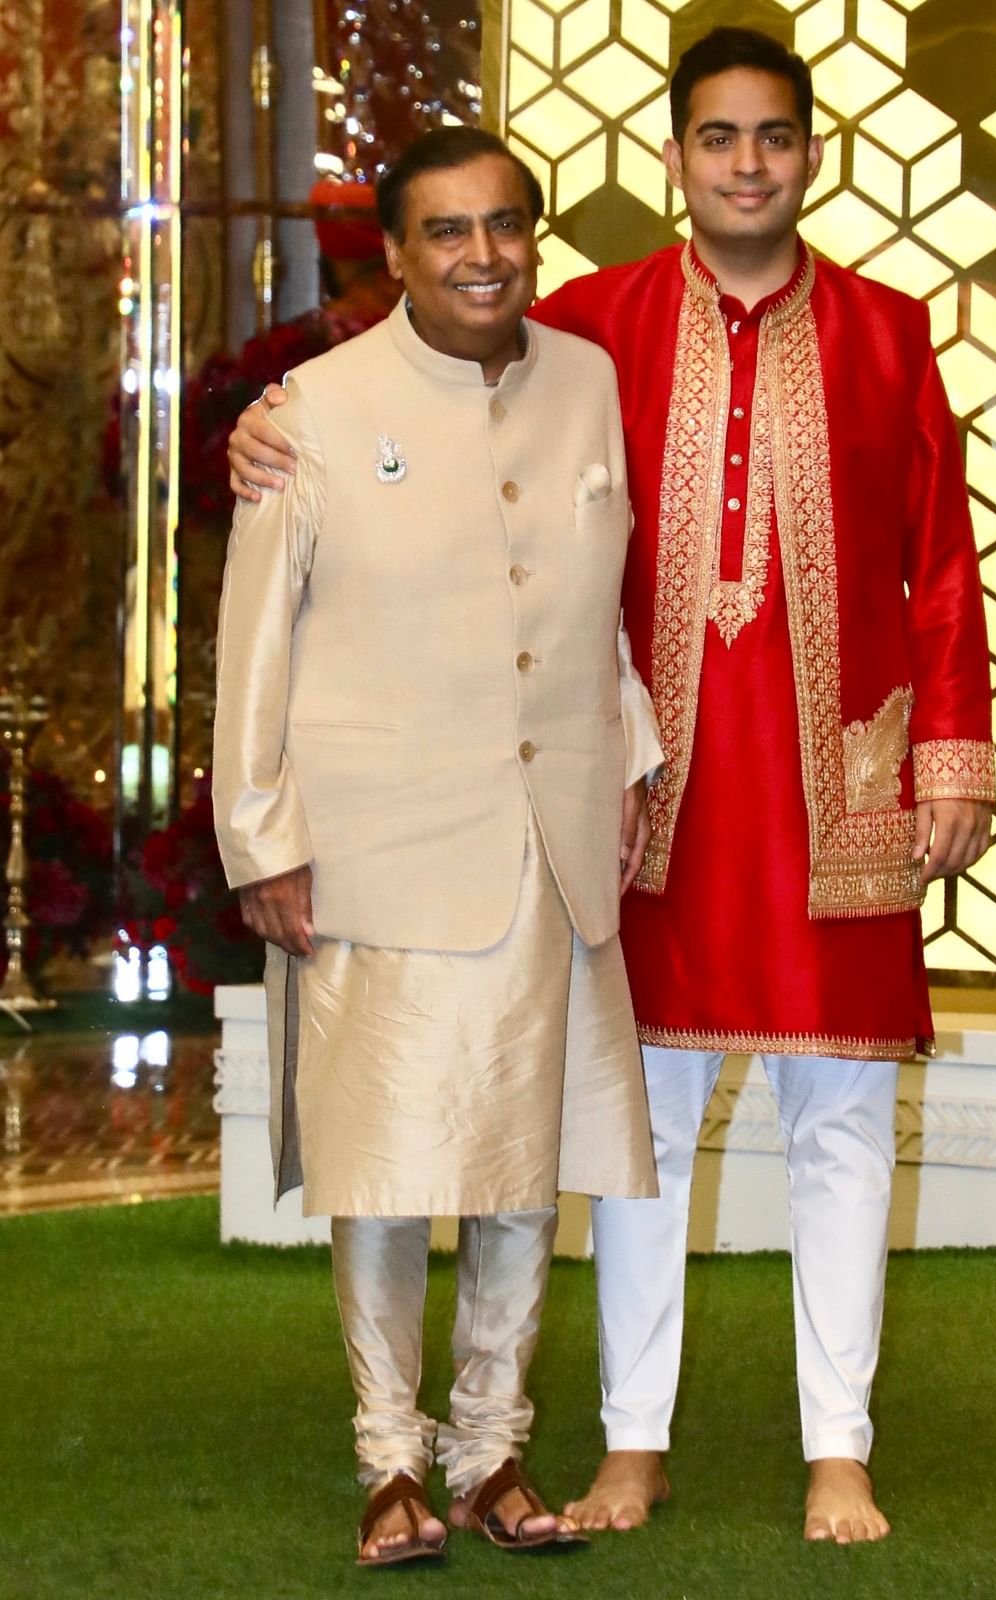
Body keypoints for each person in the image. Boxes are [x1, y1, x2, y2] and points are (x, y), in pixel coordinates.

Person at [228, 28, 995, 1546]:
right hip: (653, 794)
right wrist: (269, 427)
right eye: (719, 138)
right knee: (633, 1115)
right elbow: (436, 406)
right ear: (676, 157)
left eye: (773, 136)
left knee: (840, 1117)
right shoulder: (591, 324)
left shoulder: (890, 331)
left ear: (813, 152)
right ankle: (629, 1441)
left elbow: (945, 563)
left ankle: (837, 1445)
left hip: (838, 787)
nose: (748, 163)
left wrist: (949, 757)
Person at [213, 125, 664, 1567]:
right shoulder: (313, 410)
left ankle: (493, 1455)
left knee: (522, 1166)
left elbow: (597, 602)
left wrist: (634, 754)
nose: (485, 256)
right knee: (391, 1161)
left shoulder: (585, 382)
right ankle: (388, 1463)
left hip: (549, 836)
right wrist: (260, 836)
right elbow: (252, 646)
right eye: (450, 233)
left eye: (507, 226)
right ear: (397, 254)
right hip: (377, 843)